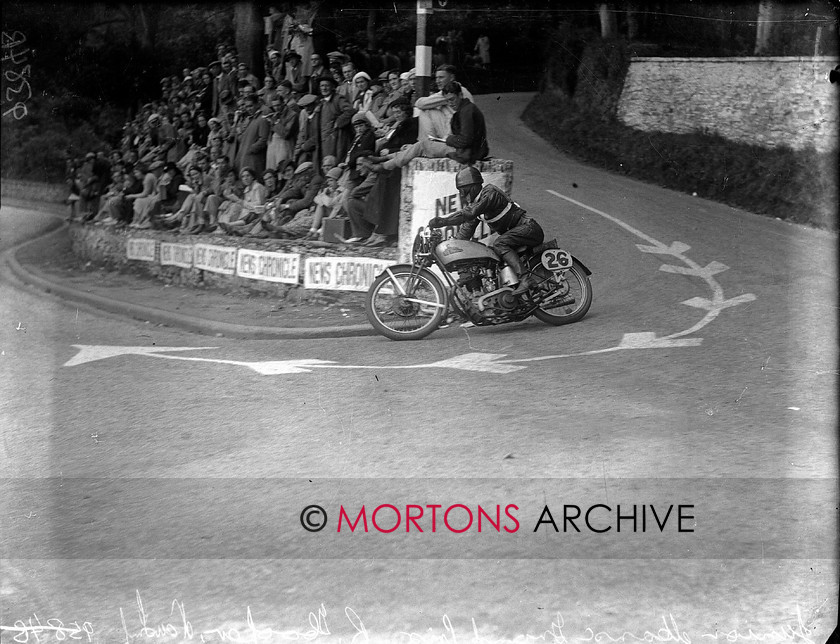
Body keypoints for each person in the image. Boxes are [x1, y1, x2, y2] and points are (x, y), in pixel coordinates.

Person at [428, 167, 544, 295]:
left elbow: (469, 213)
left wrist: (444, 221)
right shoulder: (477, 208)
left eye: (463, 190)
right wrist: (451, 248)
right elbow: (464, 235)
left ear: (473, 186)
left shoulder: (490, 193)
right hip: (516, 236)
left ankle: (526, 279)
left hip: (529, 229)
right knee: (489, 255)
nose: (462, 194)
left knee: (499, 244)